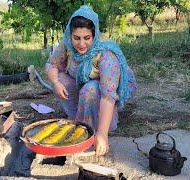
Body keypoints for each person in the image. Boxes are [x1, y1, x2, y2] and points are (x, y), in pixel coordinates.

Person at [45, 6, 137, 156]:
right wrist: (55, 82)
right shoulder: (67, 45)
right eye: (77, 38)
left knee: (90, 90)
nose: (81, 44)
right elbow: (52, 64)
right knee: (61, 78)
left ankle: (97, 126)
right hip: (84, 84)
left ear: (94, 36)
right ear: (71, 34)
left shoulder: (106, 54)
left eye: (87, 38)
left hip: (106, 88)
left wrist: (102, 134)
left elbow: (108, 95)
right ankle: (79, 117)